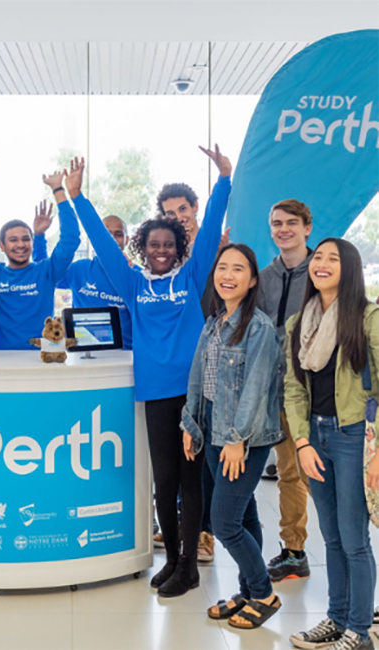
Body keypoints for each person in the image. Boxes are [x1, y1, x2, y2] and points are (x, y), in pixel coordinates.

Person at [65, 146, 231, 598]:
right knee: (164, 480)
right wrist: (77, 198)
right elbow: (102, 242)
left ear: (180, 249)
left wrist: (223, 181)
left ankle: (191, 567)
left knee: (191, 479)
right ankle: (174, 559)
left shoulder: (193, 277)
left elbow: (213, 225)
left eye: (169, 245)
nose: (161, 250)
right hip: (155, 392)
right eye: (154, 244)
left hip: (195, 394)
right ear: (144, 247)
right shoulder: (133, 283)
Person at [182, 243, 283, 629]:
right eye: (222, 267)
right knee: (245, 515)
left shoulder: (257, 328)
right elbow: (198, 378)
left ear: (253, 279)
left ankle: (263, 593)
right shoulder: (213, 322)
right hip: (211, 430)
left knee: (224, 523)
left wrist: (237, 439)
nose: (227, 275)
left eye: (238, 269)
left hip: (242, 438)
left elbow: (256, 389)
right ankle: (247, 592)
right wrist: (190, 425)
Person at [286, 239, 378, 650]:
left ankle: (359, 629)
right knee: (332, 537)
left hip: (355, 435)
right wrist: (302, 441)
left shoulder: (367, 318)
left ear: (350, 267)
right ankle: (336, 618)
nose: (321, 264)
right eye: (317, 257)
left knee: (354, 539)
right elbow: (294, 388)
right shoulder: (298, 322)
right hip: (316, 438)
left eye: (332, 259)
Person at [156, 181, 231, 563]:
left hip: (216, 363)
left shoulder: (216, 249)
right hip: (179, 369)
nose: (178, 218)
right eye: (170, 213)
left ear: (196, 208)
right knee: (179, 457)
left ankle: (204, 533)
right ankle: (182, 525)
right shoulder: (168, 257)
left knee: (203, 458)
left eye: (183, 210)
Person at [0, 172, 80, 350]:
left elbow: (70, 239)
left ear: (32, 243)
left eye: (26, 239)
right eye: (13, 240)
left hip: (42, 359)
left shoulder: (47, 272)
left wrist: (58, 190)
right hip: (0, 361)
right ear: (2, 246)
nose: (20, 244)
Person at [257, 199, 314, 582]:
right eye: (277, 223)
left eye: (291, 223)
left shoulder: (324, 270)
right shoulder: (264, 277)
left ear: (307, 227)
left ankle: (304, 551)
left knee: (309, 477)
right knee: (288, 474)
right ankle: (293, 550)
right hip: (273, 392)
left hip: (314, 394)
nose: (283, 229)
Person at [32, 205, 135, 349]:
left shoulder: (137, 276)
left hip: (124, 357)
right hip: (82, 354)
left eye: (118, 234)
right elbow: (45, 273)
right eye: (105, 233)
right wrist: (38, 236)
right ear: (96, 237)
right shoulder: (79, 269)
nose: (111, 239)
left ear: (127, 239)